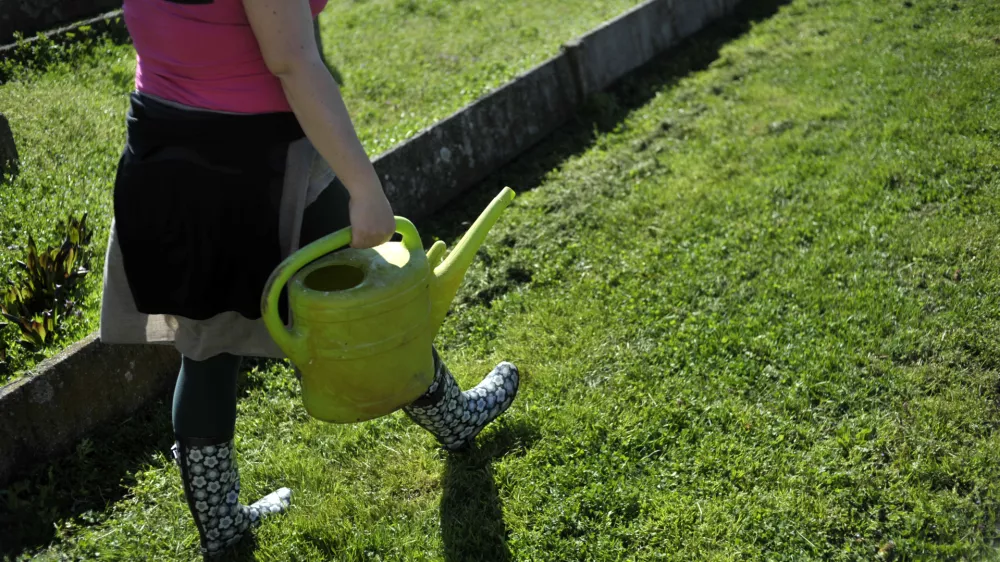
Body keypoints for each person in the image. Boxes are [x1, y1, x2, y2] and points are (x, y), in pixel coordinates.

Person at [97, 0, 520, 557]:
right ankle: (455, 419)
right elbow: (293, 63)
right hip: (263, 162)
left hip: (163, 148)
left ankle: (222, 530)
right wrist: (365, 188)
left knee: (204, 348)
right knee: (375, 298)